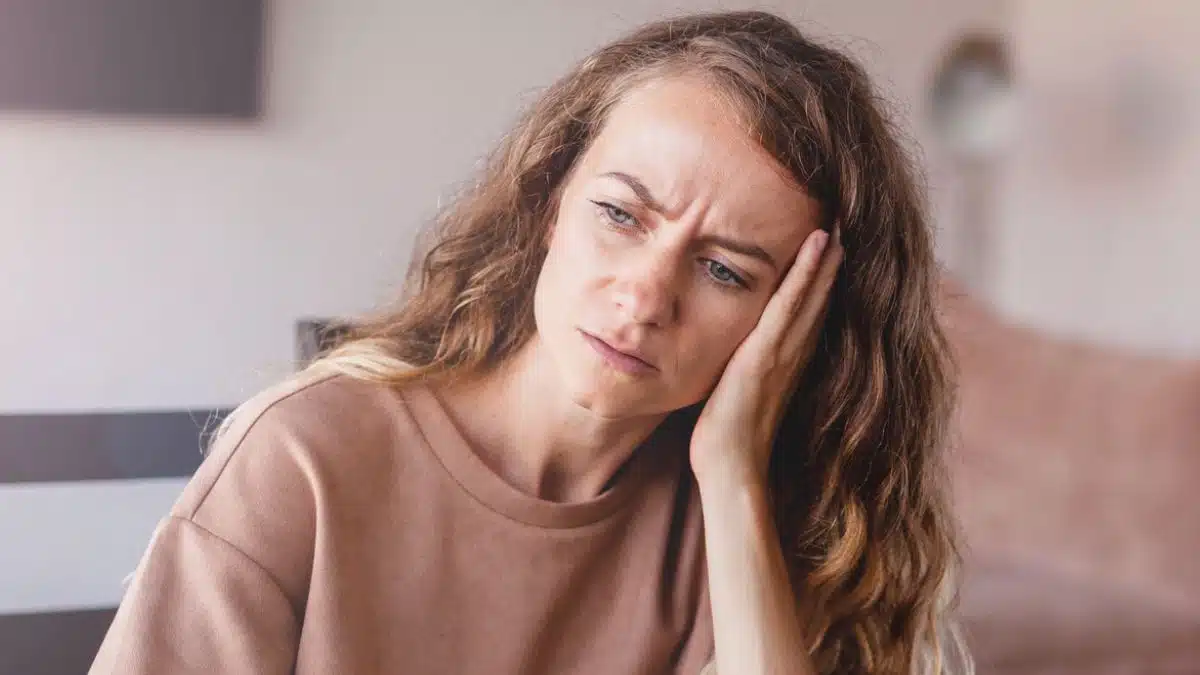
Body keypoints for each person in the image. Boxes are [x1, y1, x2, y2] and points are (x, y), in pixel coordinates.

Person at [90, 10, 969, 675]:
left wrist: (733, 477)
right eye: (620, 214)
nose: (645, 294)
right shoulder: (303, 456)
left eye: (726, 271)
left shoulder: (749, 532)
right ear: (552, 202)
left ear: (798, 326)